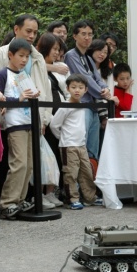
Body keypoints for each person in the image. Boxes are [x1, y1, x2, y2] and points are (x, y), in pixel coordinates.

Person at [0, 39, 41, 219]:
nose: (24, 60)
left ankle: (19, 200)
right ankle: (8, 202)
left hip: (28, 121)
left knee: (28, 164)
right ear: (10, 55)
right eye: (21, 56)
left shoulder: (22, 75)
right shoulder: (3, 73)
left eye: (27, 57)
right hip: (15, 123)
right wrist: (18, 99)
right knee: (19, 163)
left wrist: (33, 95)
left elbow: (28, 95)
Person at [49, 74, 103, 210]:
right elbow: (54, 125)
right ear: (67, 88)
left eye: (80, 87)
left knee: (86, 172)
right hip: (68, 146)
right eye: (73, 87)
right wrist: (62, 138)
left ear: (86, 90)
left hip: (81, 145)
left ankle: (90, 197)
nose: (77, 90)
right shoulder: (65, 106)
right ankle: (72, 198)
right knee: (70, 173)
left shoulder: (83, 106)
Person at [64, 19, 111, 161]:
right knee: (81, 148)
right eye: (83, 34)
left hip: (93, 107)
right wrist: (104, 94)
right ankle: (79, 183)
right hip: (81, 107)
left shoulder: (88, 59)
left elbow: (98, 79)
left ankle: (90, 181)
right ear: (74, 36)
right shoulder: (71, 55)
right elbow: (86, 80)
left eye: (90, 34)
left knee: (93, 149)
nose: (87, 37)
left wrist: (106, 89)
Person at [36, 32, 69, 208]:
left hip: (58, 117)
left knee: (54, 156)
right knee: (45, 158)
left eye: (58, 49)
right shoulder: (39, 67)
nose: (57, 53)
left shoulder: (58, 67)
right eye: (54, 49)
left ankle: (50, 192)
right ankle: (40, 194)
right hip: (46, 118)